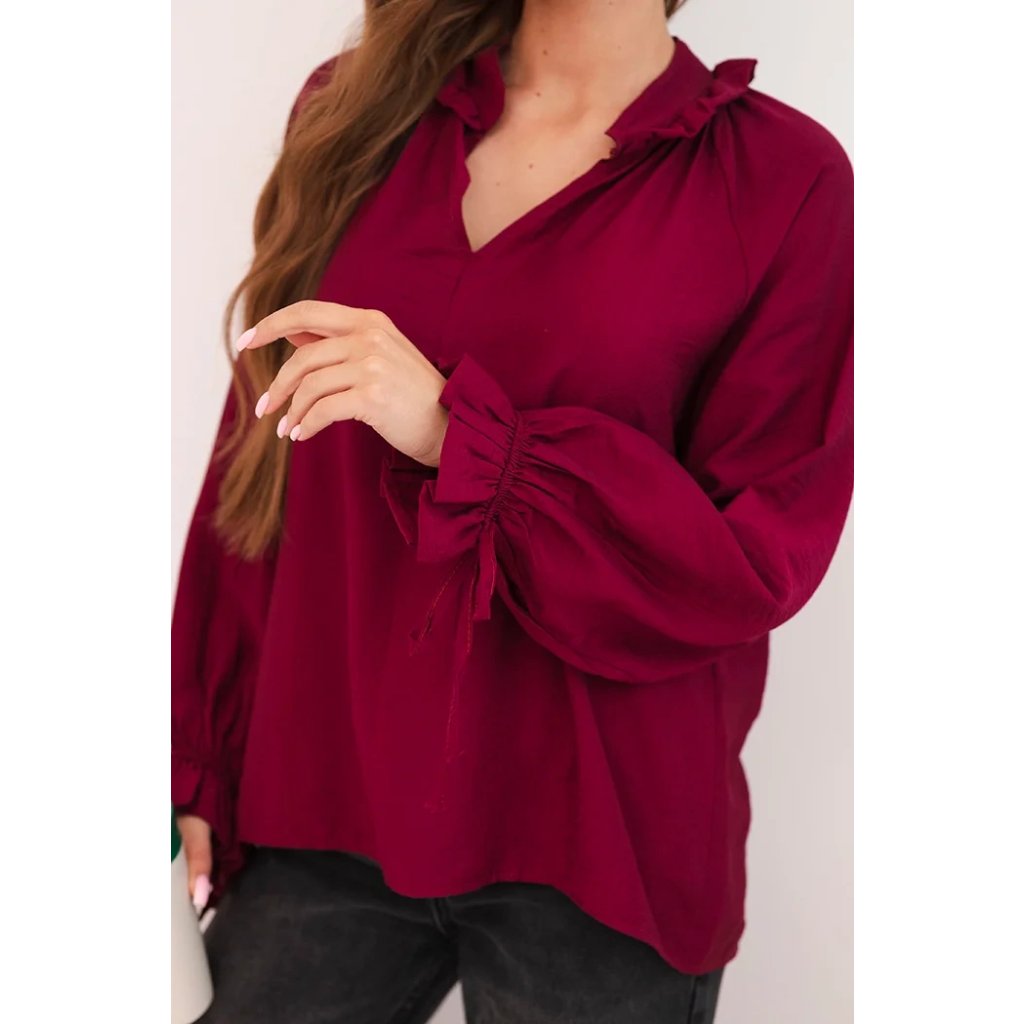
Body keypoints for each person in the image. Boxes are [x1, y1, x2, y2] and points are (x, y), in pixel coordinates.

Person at [172, 0, 853, 1020]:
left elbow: (751, 562)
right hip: (327, 798)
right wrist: (198, 755)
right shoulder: (361, 111)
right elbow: (261, 459)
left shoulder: (784, 180)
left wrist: (459, 437)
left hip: (601, 844)